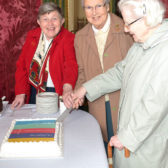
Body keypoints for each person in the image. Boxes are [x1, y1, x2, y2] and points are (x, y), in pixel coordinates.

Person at [72, 0, 168, 167]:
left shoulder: (164, 50)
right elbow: (119, 72)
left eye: (128, 23)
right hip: (132, 139)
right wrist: (85, 88)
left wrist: (127, 137)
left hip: (145, 143)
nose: (125, 29)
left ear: (147, 18)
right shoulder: (141, 43)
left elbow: (155, 105)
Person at [73, 0, 133, 150]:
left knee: (125, 153)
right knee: (104, 151)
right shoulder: (80, 37)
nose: (94, 12)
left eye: (98, 6)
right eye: (89, 8)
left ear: (107, 7)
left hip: (124, 103)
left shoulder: (127, 28)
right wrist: (78, 93)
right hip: (97, 104)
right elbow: (82, 72)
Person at [11, 2, 78, 109]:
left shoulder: (69, 38)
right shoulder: (32, 36)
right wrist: (20, 92)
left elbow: (70, 65)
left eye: (54, 19)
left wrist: (67, 88)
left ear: (62, 21)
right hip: (34, 90)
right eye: (45, 19)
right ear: (39, 22)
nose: (50, 24)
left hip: (57, 91)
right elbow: (22, 65)